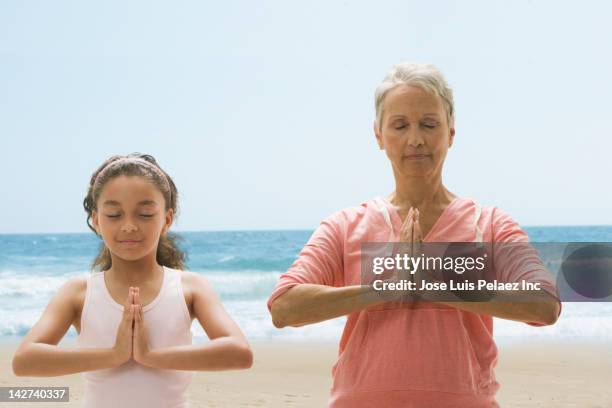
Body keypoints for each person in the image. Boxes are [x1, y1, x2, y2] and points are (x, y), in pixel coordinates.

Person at [267, 63, 561, 407]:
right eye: (400, 125)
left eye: (429, 124)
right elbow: (284, 307)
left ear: (451, 132)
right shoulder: (344, 225)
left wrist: (436, 286)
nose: (416, 138)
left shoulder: (490, 223)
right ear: (379, 136)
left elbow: (544, 304)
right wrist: (385, 289)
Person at [12, 153, 253, 407]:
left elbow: (239, 353)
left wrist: (149, 356)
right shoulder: (79, 292)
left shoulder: (189, 287)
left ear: (166, 220)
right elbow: (25, 360)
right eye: (114, 215)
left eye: (145, 214)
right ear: (96, 220)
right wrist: (114, 355)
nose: (129, 226)